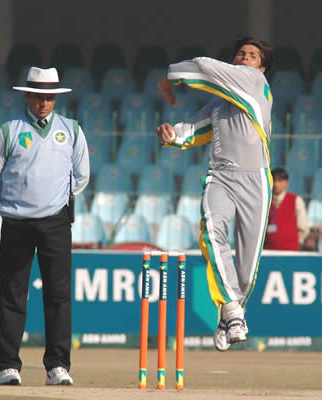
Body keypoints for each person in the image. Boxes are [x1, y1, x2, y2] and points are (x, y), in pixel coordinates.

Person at [156, 37, 273, 351]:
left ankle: (229, 313)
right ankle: (233, 310)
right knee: (211, 233)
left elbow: (205, 67)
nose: (244, 58)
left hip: (256, 179)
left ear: (261, 68)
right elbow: (194, 129)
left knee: (247, 272)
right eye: (240, 53)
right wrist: (172, 135)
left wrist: (171, 75)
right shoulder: (221, 106)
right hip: (220, 176)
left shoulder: (255, 82)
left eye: (251, 56)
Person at [0, 67, 90, 385]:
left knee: (58, 295)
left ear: (55, 98)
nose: (43, 102)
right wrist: (16, 201)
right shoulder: (9, 131)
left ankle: (57, 366)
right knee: (13, 293)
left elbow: (81, 176)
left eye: (48, 96)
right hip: (16, 222)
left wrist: (55, 202)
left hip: (55, 222)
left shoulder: (71, 130)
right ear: (27, 95)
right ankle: (8, 366)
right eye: (37, 96)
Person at [264, 167, 309, 251]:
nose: (276, 184)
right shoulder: (265, 201)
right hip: (268, 251)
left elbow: (303, 227)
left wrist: (294, 241)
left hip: (290, 251)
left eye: (279, 181)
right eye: (274, 180)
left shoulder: (295, 200)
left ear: (286, 183)